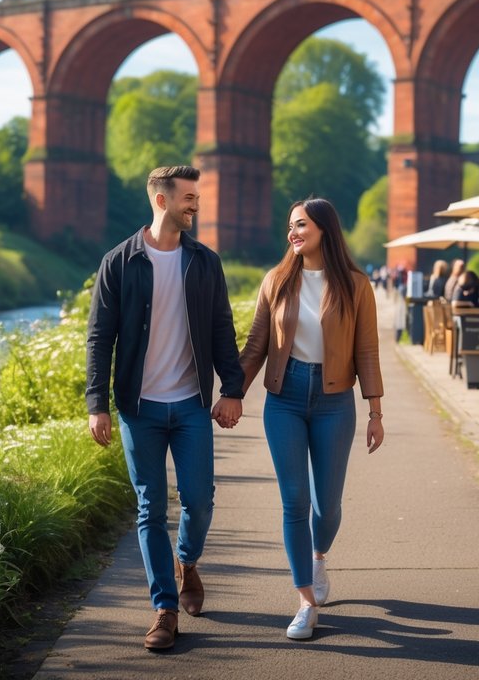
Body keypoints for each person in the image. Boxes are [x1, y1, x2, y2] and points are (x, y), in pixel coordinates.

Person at [85, 165, 245, 651]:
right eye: (189, 198)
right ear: (162, 201)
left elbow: (222, 329)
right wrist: (98, 404)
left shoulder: (205, 262)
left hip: (193, 404)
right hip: (140, 408)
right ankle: (164, 609)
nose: (195, 205)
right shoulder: (119, 262)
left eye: (197, 197)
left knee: (199, 500)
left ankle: (187, 562)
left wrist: (232, 389)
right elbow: (99, 339)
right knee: (150, 507)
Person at [239, 198, 385, 641]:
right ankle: (305, 601)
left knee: (328, 504)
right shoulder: (277, 280)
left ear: (323, 228)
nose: (293, 233)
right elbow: (256, 344)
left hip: (335, 399)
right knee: (294, 500)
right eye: (289, 227)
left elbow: (367, 351)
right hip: (283, 397)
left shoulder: (356, 285)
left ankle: (319, 556)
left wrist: (375, 411)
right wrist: (232, 394)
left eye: (300, 225)